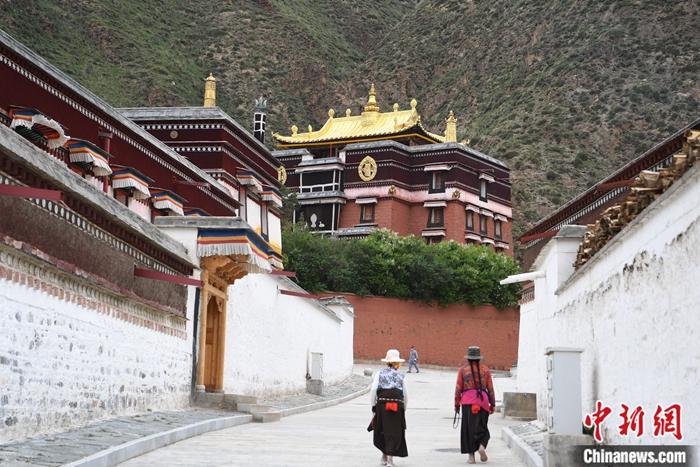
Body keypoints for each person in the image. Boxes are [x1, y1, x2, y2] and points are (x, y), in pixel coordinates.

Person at [454, 346, 495, 464]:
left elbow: (458, 389)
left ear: (468, 358)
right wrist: (492, 404)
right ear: (478, 358)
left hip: (467, 402)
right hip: (482, 402)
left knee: (468, 430)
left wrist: (456, 405)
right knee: (482, 427)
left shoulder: (462, 370)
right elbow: (490, 389)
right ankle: (482, 446)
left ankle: (471, 457)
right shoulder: (485, 370)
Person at [371, 349, 408, 466]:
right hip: (397, 406)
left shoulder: (379, 374)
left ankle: (384, 457)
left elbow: (373, 390)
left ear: (387, 362)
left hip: (382, 406)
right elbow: (405, 394)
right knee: (394, 432)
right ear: (398, 363)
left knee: (382, 430)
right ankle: (390, 459)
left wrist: (373, 406)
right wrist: (404, 408)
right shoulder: (401, 376)